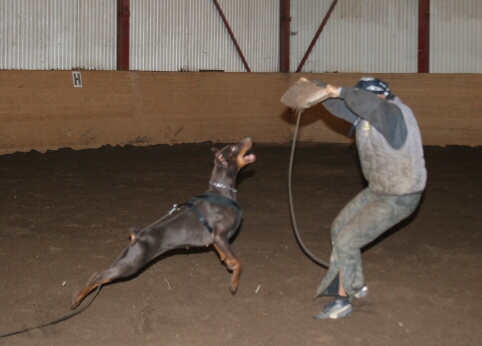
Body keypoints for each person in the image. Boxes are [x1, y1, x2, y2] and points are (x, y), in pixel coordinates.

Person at [312, 77, 427, 319]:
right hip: (381, 189)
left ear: (379, 96)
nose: (358, 106)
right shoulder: (369, 114)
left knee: (347, 239)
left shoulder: (391, 114)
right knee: (339, 229)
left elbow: (364, 103)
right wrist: (318, 88)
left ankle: (343, 301)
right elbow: (341, 105)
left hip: (400, 195)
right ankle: (356, 284)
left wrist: (342, 91)